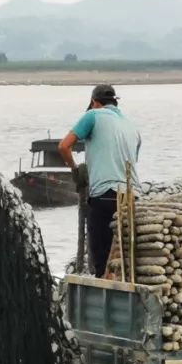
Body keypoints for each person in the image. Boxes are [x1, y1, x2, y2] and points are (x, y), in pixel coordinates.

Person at [58, 84, 141, 277]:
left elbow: (63, 146)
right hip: (131, 196)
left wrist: (75, 169)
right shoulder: (132, 126)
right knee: (124, 252)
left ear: (95, 102)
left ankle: (103, 287)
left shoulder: (93, 115)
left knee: (101, 256)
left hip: (105, 195)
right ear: (115, 102)